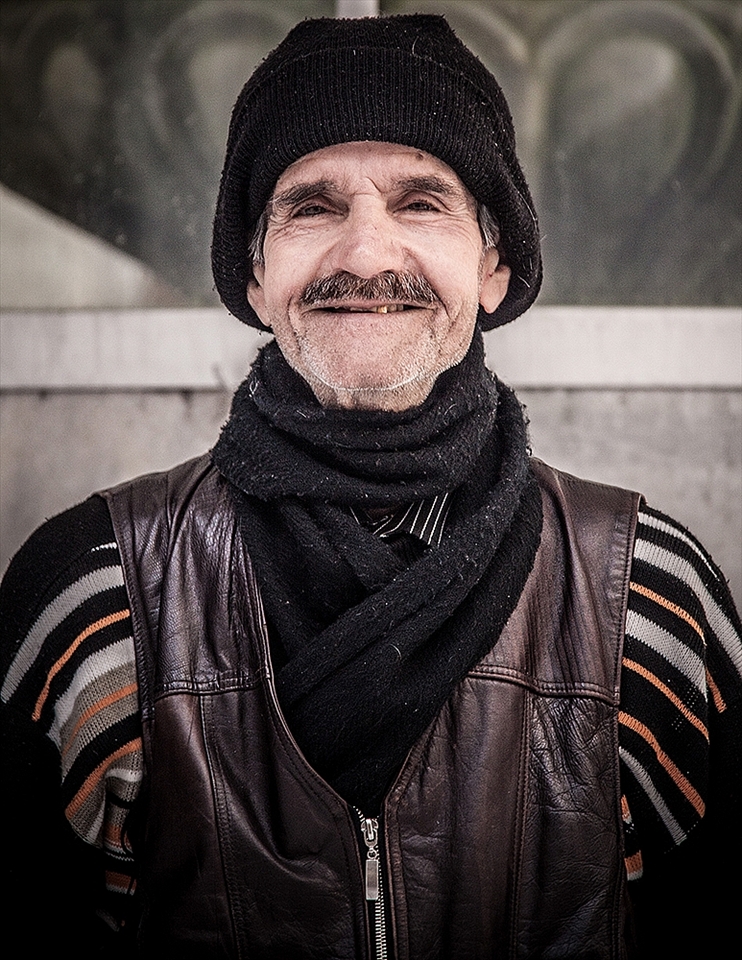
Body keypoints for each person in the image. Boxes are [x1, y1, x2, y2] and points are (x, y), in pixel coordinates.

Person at [1, 14, 740, 959]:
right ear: (255, 274)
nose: (365, 254)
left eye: (422, 202)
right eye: (312, 206)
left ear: (495, 264)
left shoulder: (649, 599)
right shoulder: (97, 596)